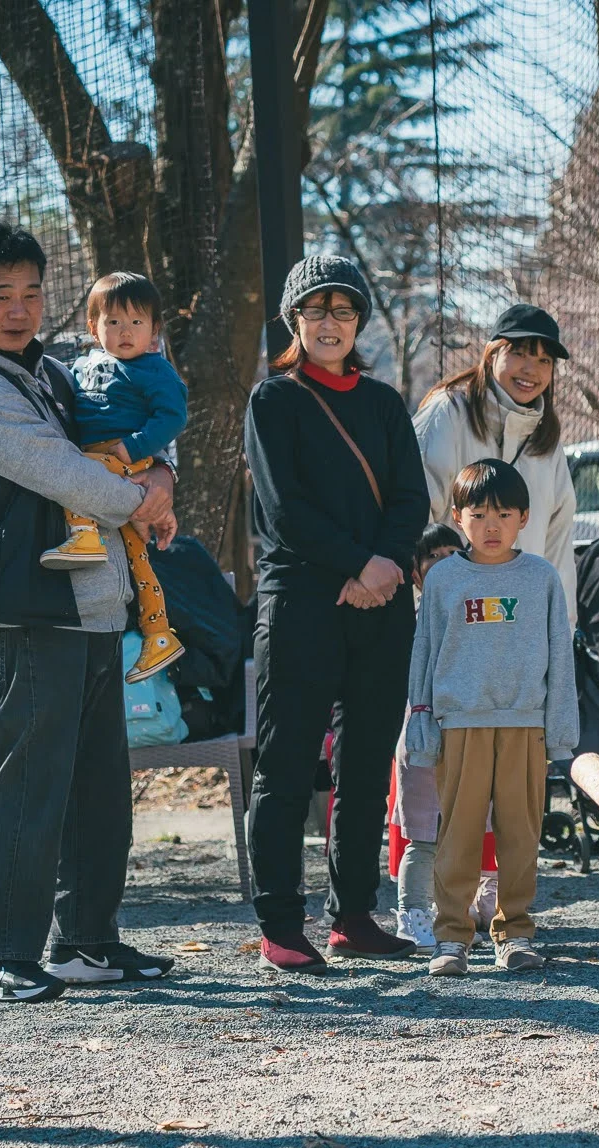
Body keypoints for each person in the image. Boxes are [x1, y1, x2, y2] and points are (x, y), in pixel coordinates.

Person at [0, 223, 178, 1003]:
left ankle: (86, 942)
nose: (20, 308)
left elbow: (118, 432)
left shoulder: (57, 372)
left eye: (32, 292)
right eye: (1, 294)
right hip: (27, 608)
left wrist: (160, 466)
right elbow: (64, 471)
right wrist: (142, 498)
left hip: (95, 604)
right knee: (31, 785)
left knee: (99, 785)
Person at [245, 255, 431, 972]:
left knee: (363, 765)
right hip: (303, 600)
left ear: (359, 322)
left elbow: (411, 498)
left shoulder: (384, 404)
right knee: (287, 763)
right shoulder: (275, 401)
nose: (330, 323)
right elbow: (285, 511)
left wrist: (383, 566)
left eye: (343, 310)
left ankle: (353, 914)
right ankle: (280, 925)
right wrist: (362, 565)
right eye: (316, 309)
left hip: (382, 602)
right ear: (295, 320)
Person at [407, 460, 579, 976]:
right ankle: (451, 938)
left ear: (524, 518)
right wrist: (421, 724)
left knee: (520, 834)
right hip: (459, 724)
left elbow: (560, 656)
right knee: (457, 834)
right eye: (478, 513)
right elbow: (424, 651)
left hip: (525, 724)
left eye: (503, 513)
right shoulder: (443, 581)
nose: (491, 525)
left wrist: (561, 731)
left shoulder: (541, 578)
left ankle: (516, 932)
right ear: (457, 517)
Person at [52, 270, 187, 683]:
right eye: (113, 322)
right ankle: (158, 635)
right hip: (105, 461)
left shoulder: (154, 369)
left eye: (136, 322)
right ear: (94, 328)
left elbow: (173, 416)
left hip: (124, 459)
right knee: (138, 556)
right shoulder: (83, 365)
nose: (125, 331)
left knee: (79, 472)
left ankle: (84, 534)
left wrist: (135, 447)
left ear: (154, 330)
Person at [413, 305, 577, 619]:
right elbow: (415, 519)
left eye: (544, 360)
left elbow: (557, 547)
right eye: (520, 354)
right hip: (453, 618)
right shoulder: (448, 413)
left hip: (521, 624)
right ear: (491, 355)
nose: (532, 369)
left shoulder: (546, 438)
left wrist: (561, 634)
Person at [391, 521, 500, 949]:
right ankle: (413, 913)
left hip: (475, 731)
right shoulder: (408, 621)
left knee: (485, 817)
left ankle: (484, 894)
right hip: (422, 736)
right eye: (431, 557)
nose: (442, 564)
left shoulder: (480, 610)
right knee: (423, 832)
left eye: (452, 554)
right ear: (416, 573)